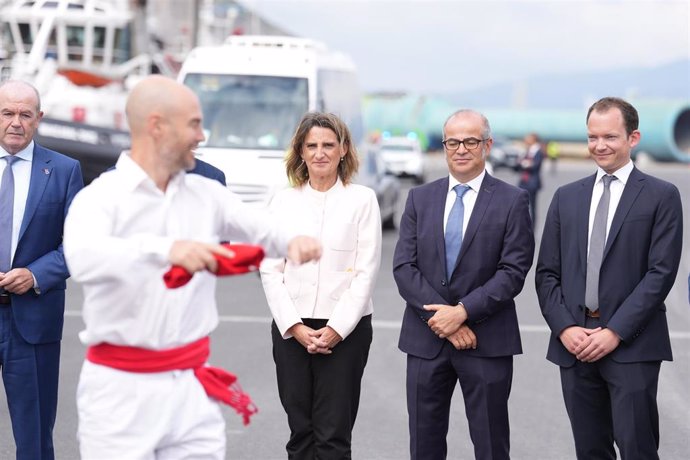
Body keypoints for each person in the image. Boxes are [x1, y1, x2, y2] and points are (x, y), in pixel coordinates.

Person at [62, 75, 322, 459]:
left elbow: (256, 225)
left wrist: (291, 241)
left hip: (189, 387)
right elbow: (84, 258)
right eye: (194, 123)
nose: (202, 135)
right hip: (120, 392)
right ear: (156, 126)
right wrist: (165, 250)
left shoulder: (206, 193)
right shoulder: (100, 198)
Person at [535, 97, 683, 459]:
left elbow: (659, 274)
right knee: (590, 450)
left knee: (637, 448)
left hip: (632, 346)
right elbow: (546, 274)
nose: (599, 145)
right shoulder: (566, 197)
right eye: (592, 137)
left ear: (633, 138)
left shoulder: (662, 196)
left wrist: (615, 332)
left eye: (610, 137)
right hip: (575, 344)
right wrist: (565, 328)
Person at [393, 109, 534, 460]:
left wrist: (463, 312)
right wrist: (443, 321)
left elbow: (513, 271)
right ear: (444, 146)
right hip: (427, 340)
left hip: (486, 340)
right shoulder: (420, 198)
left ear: (487, 144)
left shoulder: (512, 200)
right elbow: (404, 267)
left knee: (490, 444)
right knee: (424, 446)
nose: (460, 149)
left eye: (470, 141)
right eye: (452, 141)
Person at [260, 112, 382, 459]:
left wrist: (337, 329)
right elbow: (270, 270)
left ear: (343, 149)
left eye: (328, 145)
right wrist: (294, 326)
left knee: (333, 437)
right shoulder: (284, 201)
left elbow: (365, 270)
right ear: (300, 151)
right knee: (300, 434)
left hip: (346, 332)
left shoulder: (362, 200)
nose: (320, 153)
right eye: (311, 145)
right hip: (292, 332)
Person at [0, 80, 84, 459]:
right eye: (7, 113)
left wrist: (36, 275)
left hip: (32, 323)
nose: (15, 122)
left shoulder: (65, 170)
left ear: (39, 119)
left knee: (34, 439)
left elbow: (81, 243)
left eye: (24, 114)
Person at [515, 132, 544, 228]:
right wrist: (525, 163)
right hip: (523, 182)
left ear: (533, 139)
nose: (525, 140)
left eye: (528, 138)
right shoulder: (526, 150)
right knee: (520, 206)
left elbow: (535, 166)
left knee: (533, 208)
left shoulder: (538, 151)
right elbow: (518, 165)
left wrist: (526, 163)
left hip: (532, 183)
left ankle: (532, 229)